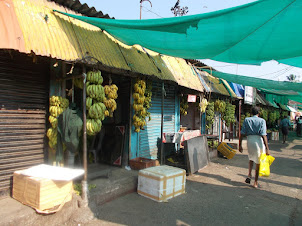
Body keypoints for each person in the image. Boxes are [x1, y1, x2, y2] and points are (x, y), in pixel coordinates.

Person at [239, 106, 270, 188]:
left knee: (251, 158)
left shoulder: (247, 120)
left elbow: (242, 133)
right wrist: (267, 148)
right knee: (258, 162)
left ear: (251, 113)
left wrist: (240, 145)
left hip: (249, 141)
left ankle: (249, 174)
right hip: (258, 141)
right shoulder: (262, 121)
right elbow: (264, 135)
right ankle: (255, 182)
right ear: (259, 113)